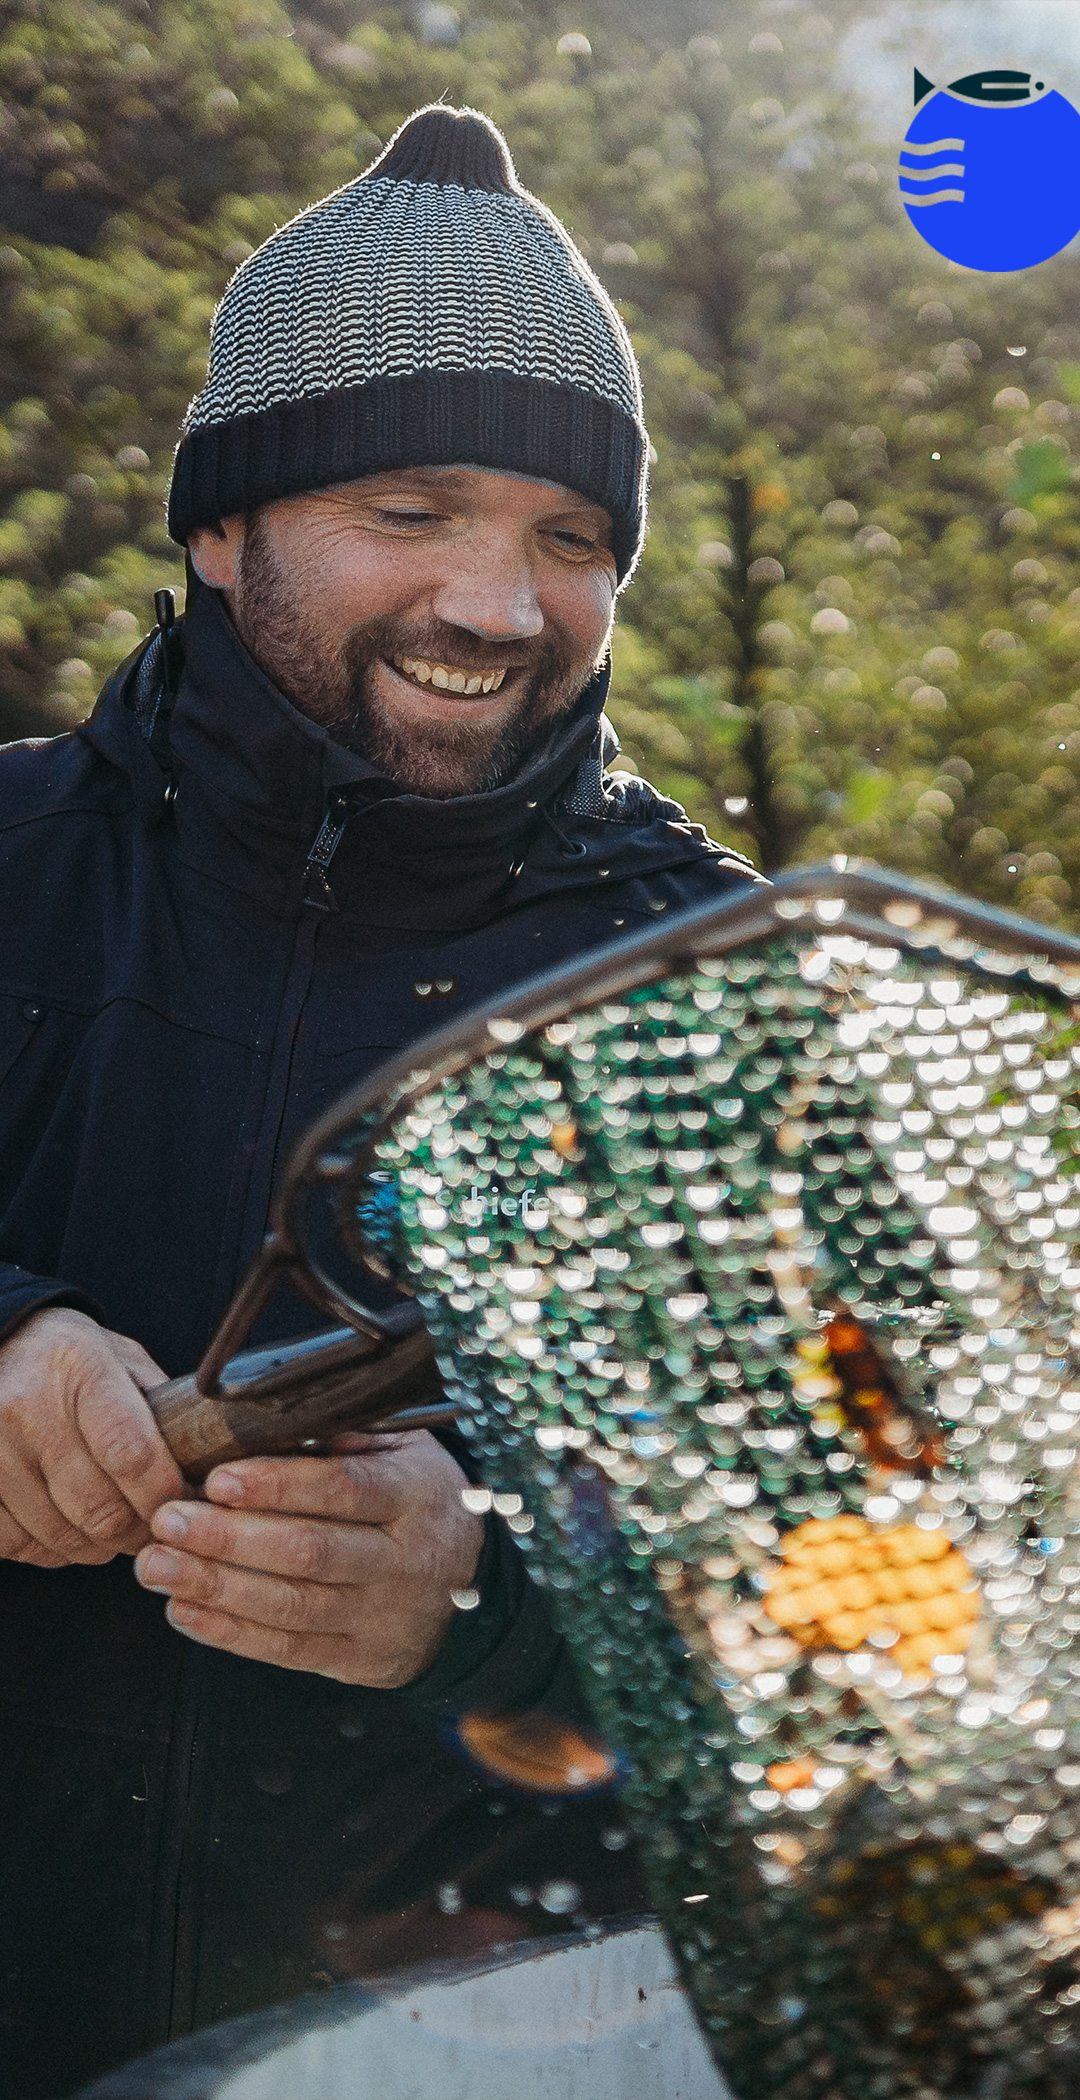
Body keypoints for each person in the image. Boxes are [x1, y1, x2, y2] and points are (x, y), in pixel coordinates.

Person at [0, 103, 758, 2097]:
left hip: (451, 2047)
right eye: (415, 509)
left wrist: (500, 1586)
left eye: (568, 538)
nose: (500, 608)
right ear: (221, 521)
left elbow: (896, 1576)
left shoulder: (717, 985)